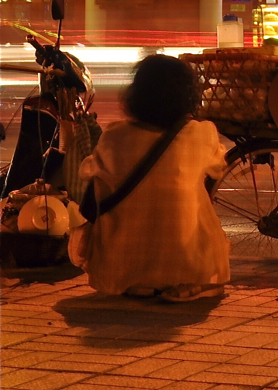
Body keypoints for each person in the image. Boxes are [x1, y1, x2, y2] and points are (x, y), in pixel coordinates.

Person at [73, 55, 229, 302]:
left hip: (121, 266)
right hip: (185, 264)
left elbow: (87, 172)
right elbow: (218, 166)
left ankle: (140, 280)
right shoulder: (201, 134)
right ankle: (192, 280)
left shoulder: (114, 136)